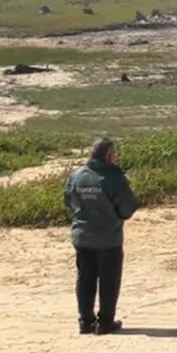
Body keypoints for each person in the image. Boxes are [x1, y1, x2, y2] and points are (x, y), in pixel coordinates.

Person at [64, 137, 140, 335]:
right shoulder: (113, 177)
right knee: (109, 279)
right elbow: (127, 207)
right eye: (114, 154)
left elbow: (69, 200)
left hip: (82, 236)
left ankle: (86, 321)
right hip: (108, 238)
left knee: (85, 278)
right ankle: (105, 322)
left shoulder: (77, 176)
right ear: (108, 155)